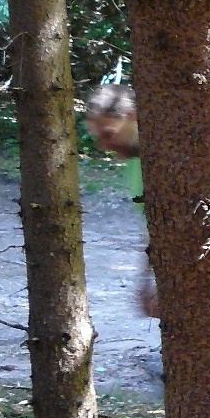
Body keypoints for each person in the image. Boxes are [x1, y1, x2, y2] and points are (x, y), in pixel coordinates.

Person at [84, 81, 159, 318]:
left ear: (132, 116)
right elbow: (153, 229)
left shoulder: (164, 162)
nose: (104, 146)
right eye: (97, 137)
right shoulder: (135, 165)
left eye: (108, 134)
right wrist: (146, 280)